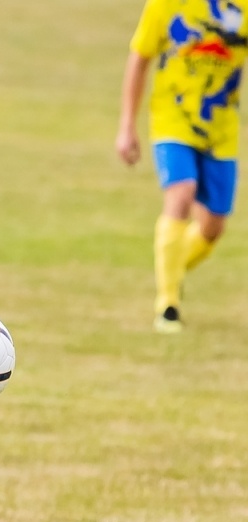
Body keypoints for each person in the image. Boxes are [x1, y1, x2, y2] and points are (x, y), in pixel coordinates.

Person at [117, 0, 248, 332]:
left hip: (221, 129)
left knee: (213, 227)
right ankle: (168, 304)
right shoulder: (166, 4)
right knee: (181, 193)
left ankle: (171, 269)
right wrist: (127, 125)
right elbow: (140, 57)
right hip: (172, 120)